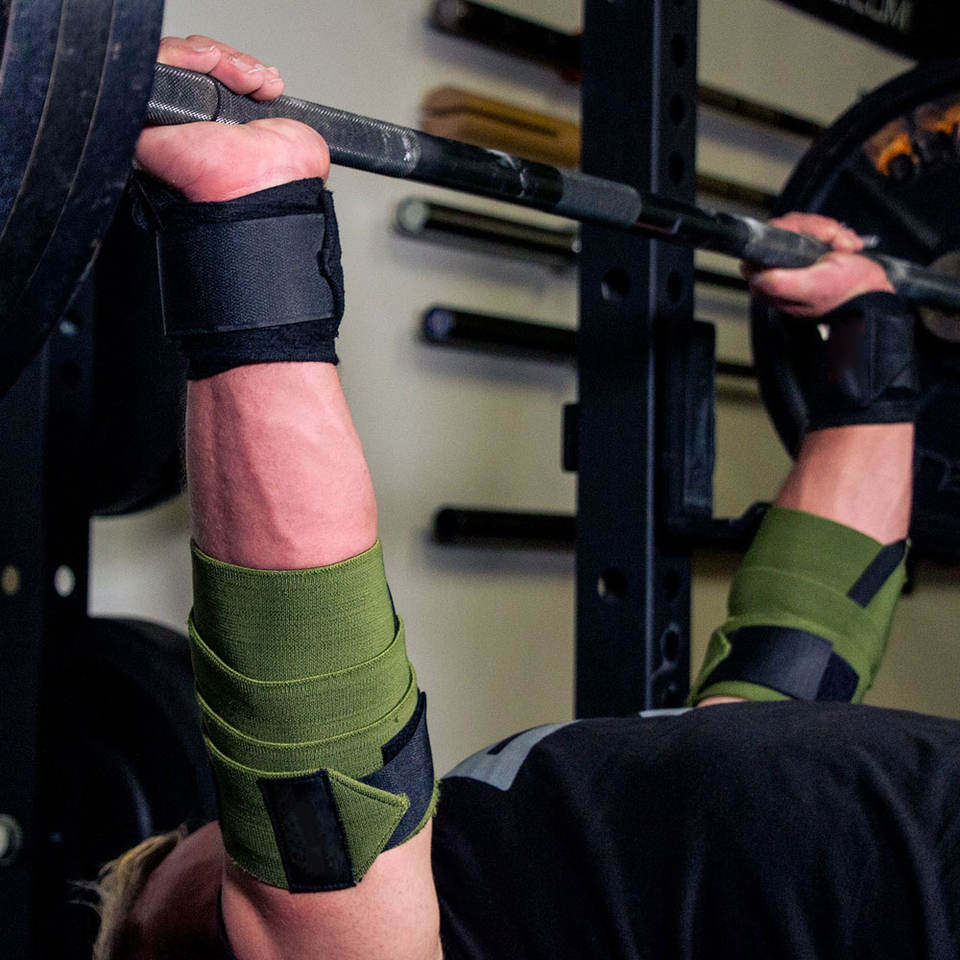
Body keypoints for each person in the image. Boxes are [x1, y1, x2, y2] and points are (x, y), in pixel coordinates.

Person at [92, 35, 960, 960]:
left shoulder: (556, 888)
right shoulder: (356, 915)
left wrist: (869, 354)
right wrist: (243, 221)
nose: (215, 834)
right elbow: (317, 793)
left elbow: (788, 678)